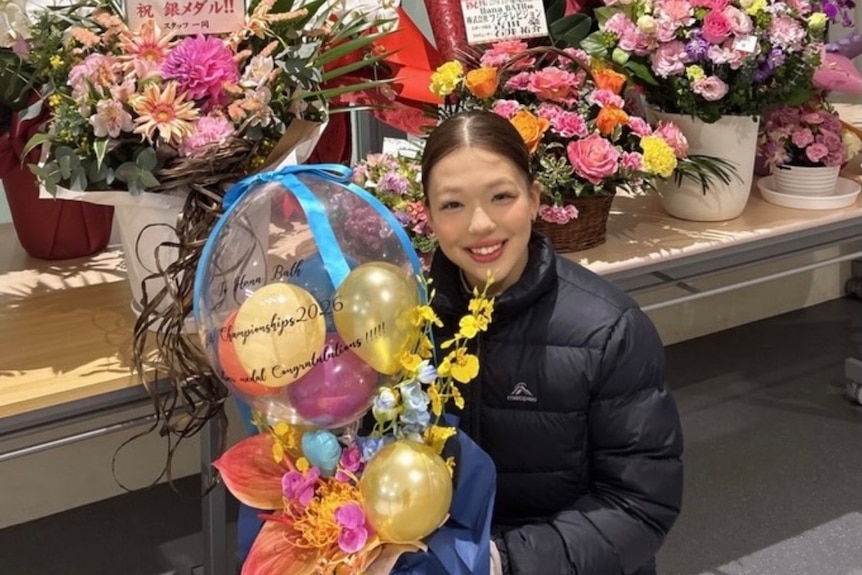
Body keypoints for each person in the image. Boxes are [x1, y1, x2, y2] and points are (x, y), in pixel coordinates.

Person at [421, 110, 684, 575]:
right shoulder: (410, 320)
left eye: (501, 196)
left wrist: (501, 563)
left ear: (534, 198)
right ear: (428, 217)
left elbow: (639, 506)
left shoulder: (608, 330)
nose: (480, 224)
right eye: (453, 205)